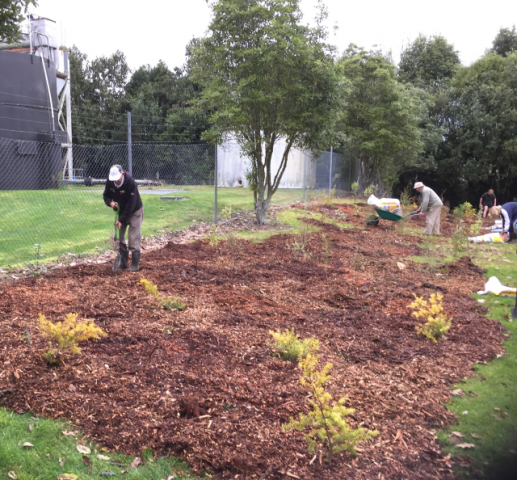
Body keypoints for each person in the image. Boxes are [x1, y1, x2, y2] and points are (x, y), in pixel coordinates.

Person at [103, 165, 144, 271]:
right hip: (120, 212)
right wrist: (110, 203)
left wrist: (121, 220)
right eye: (114, 180)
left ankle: (135, 265)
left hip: (135, 211)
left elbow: (131, 204)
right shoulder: (110, 181)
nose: (116, 181)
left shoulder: (130, 182)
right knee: (118, 236)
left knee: (133, 237)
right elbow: (106, 195)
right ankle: (123, 261)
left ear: (122, 174)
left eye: (117, 179)